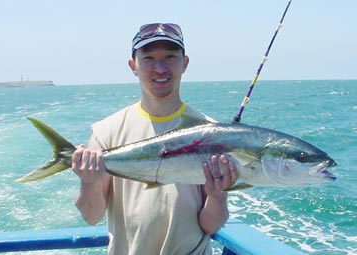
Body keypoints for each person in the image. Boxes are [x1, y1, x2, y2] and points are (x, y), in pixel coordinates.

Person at [72, 23, 239, 255]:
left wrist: (217, 195)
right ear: (133, 66)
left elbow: (209, 225)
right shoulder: (106, 132)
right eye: (148, 58)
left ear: (185, 63)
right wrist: (88, 182)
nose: (160, 68)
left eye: (170, 56)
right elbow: (92, 216)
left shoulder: (209, 132)